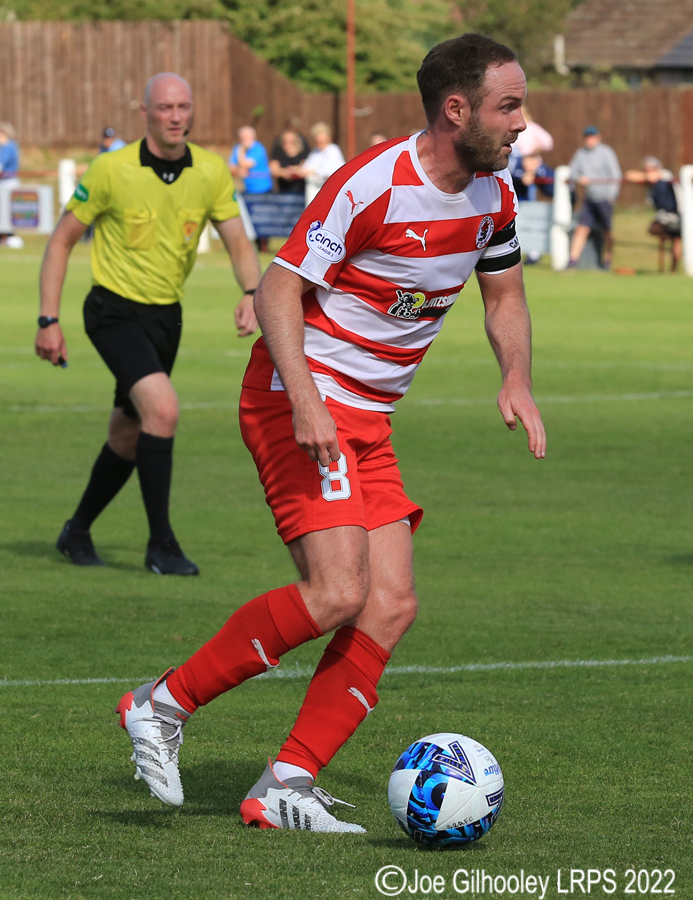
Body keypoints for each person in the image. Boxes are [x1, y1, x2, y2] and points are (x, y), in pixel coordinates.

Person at [115, 33, 545, 832]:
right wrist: (309, 400)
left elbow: (504, 298)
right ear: (457, 110)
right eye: (509, 105)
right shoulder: (373, 185)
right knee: (339, 590)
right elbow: (279, 290)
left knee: (389, 604)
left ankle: (285, 785)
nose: (523, 122)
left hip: (367, 414)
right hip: (296, 396)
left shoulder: (495, 193)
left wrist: (514, 376)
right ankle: (160, 704)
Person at [35, 72, 261, 575]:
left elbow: (238, 241)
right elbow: (60, 241)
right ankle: (161, 545)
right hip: (112, 311)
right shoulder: (111, 170)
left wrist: (251, 292)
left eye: (184, 106)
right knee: (163, 411)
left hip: (166, 317)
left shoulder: (209, 171)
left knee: (127, 435)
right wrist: (48, 318)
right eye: (164, 108)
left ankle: (76, 531)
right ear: (144, 113)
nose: (176, 116)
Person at [567, 125, 622, 270]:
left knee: (607, 231)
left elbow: (616, 176)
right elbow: (571, 172)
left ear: (598, 137)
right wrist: (579, 178)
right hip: (589, 198)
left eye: (592, 137)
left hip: (605, 198)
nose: (590, 140)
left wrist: (611, 196)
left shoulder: (607, 152)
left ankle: (607, 261)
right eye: (587, 137)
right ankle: (572, 261)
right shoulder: (580, 154)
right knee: (581, 229)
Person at [624, 156, 682, 272]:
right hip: (663, 219)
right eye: (646, 169)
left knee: (676, 241)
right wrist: (646, 177)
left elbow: (659, 176)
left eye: (651, 169)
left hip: (676, 216)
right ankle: (665, 268)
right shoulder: (649, 182)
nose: (649, 172)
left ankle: (673, 270)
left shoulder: (665, 176)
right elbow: (629, 175)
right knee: (655, 230)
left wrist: (651, 176)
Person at [229, 125, 272, 251]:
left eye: (247, 138)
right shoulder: (237, 148)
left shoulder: (258, 149)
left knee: (263, 218)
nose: (244, 141)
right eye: (242, 138)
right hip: (247, 189)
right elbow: (232, 168)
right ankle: (254, 244)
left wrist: (241, 151)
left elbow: (243, 164)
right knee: (250, 219)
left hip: (263, 188)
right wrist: (239, 169)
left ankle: (264, 245)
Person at [299, 122, 345, 203]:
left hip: (328, 191)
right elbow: (305, 168)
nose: (320, 144)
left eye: (322, 141)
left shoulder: (333, 150)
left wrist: (314, 171)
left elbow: (334, 170)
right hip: (313, 190)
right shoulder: (315, 152)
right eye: (317, 142)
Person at [269, 128, 309, 195]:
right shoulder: (278, 152)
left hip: (301, 191)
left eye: (291, 140)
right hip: (283, 190)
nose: (288, 143)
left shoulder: (303, 153)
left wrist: (293, 171)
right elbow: (273, 169)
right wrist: (284, 172)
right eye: (286, 140)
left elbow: (305, 168)